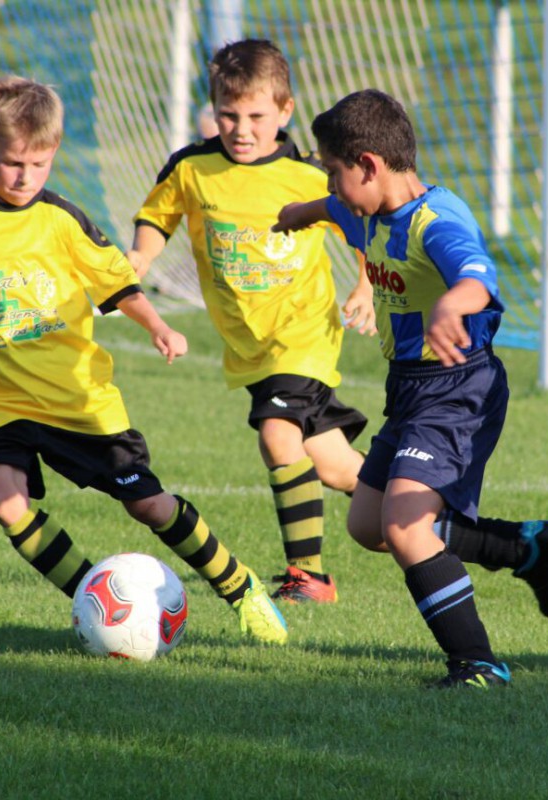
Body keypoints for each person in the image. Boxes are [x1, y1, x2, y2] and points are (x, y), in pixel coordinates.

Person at [0, 75, 288, 645]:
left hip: (79, 401)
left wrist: (160, 326)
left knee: (148, 504)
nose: (25, 177)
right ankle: (95, 599)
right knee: (2, 497)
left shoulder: (62, 219)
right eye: (13, 162)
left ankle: (241, 587)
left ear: (54, 155)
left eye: (39, 164)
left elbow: (118, 284)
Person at [274, 89, 548, 689]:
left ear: (368, 164)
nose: (333, 184)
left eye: (335, 171)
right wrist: (299, 213)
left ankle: (478, 664)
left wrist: (448, 311)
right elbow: (333, 209)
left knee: (407, 529)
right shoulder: (365, 209)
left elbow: (477, 279)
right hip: (409, 388)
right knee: (368, 526)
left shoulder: (438, 222)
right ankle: (524, 549)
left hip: (459, 385)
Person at [128, 39, 375, 605]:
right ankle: (434, 519)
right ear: (213, 108)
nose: (241, 129)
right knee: (336, 469)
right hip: (251, 349)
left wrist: (364, 284)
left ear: (285, 112)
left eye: (257, 116)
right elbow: (156, 216)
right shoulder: (192, 168)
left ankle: (308, 577)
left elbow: (361, 224)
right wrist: (142, 255)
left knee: (276, 434)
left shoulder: (310, 176)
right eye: (228, 114)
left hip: (303, 334)